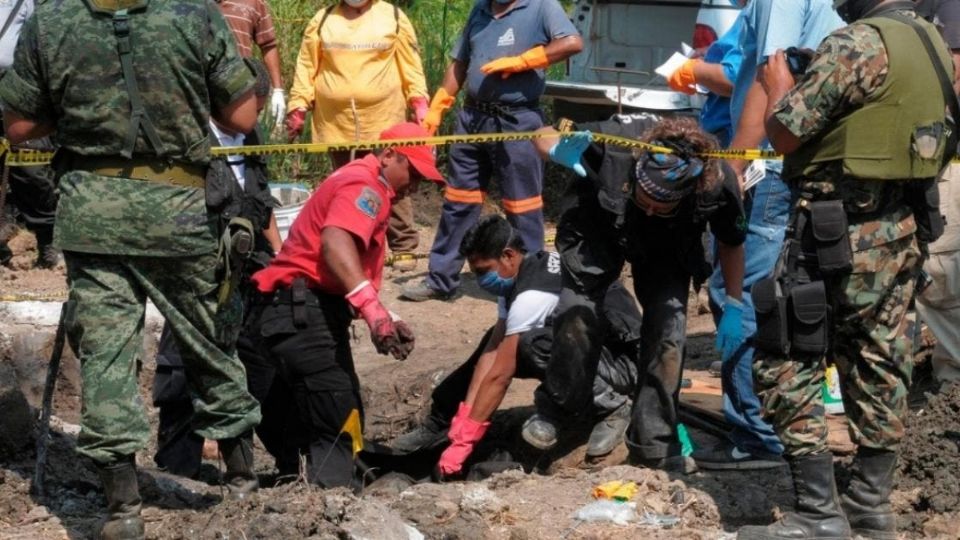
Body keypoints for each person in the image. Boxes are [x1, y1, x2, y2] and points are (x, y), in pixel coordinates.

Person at [0, 0, 264, 537]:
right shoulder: (194, 15)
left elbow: (20, 125)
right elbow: (242, 116)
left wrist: (79, 108)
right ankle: (242, 487)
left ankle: (122, 510)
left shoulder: (50, 21)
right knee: (209, 341)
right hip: (181, 214)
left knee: (105, 354)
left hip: (92, 217)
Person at [740, 0, 955, 537]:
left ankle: (817, 514)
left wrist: (776, 82)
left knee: (787, 357)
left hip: (835, 237)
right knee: (881, 358)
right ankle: (870, 503)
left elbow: (785, 133)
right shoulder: (930, 41)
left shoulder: (857, 43)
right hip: (901, 232)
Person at [521, 116, 747, 473]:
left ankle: (654, 442)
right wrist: (556, 150)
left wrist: (735, 303)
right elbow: (540, 132)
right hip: (600, 225)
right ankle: (557, 412)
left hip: (669, 245)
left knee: (669, 333)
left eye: (663, 204)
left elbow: (733, 243)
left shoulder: (715, 182)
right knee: (577, 312)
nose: (652, 208)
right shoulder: (616, 143)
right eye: (648, 199)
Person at [246, 122, 444, 488]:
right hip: (302, 313)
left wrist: (383, 314)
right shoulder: (366, 186)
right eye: (412, 173)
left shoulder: (360, 181)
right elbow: (335, 244)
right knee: (340, 416)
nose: (415, 186)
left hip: (283, 314)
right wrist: (373, 312)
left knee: (302, 418)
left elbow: (343, 268)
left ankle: (299, 486)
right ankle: (331, 500)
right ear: (387, 156)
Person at [694, 0, 843, 471]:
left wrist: (735, 163)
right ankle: (775, 426)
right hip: (794, 160)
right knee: (782, 294)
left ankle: (758, 435)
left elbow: (771, 75)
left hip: (771, 165)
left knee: (740, 293)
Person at [390, 215, 640, 473]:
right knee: (502, 339)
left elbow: (500, 375)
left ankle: (612, 405)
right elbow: (492, 351)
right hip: (596, 352)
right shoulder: (520, 275)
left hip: (624, 364)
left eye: (482, 271)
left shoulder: (532, 295)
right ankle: (440, 419)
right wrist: (466, 417)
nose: (479, 281)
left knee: (533, 344)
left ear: (508, 256)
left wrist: (465, 443)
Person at [400, 0, 583, 301]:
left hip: (518, 119)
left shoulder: (541, 7)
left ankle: (533, 284)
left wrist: (525, 60)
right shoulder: (480, 10)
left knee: (522, 206)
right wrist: (439, 106)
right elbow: (460, 63)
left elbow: (572, 42)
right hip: (473, 118)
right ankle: (441, 279)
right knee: (458, 202)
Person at [152, 59, 282, 479]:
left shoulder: (250, 137)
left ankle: (236, 459)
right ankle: (178, 467)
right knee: (182, 370)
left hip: (247, 274)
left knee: (250, 362)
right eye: (253, 109)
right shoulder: (188, 139)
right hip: (197, 276)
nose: (255, 119)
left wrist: (281, 259)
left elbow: (263, 207)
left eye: (259, 111)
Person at [286, 0, 429, 272]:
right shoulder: (322, 20)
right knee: (347, 185)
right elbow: (306, 66)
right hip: (336, 123)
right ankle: (353, 241)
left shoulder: (394, 17)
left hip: (384, 118)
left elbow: (411, 66)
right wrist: (298, 105)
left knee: (394, 183)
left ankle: (403, 246)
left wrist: (419, 101)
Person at [916, 0, 960, 386]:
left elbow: (956, 76)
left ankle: (952, 391)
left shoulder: (948, 5)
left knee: (942, 280)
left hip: (945, 162)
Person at [0, 0, 59, 269]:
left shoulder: (26, 2)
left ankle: (48, 241)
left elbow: (41, 40)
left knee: (32, 170)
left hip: (18, 91)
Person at [214, 0, 286, 128]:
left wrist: (278, 90)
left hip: (238, 90)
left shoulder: (254, 3)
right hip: (199, 89)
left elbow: (268, 44)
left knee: (242, 136)